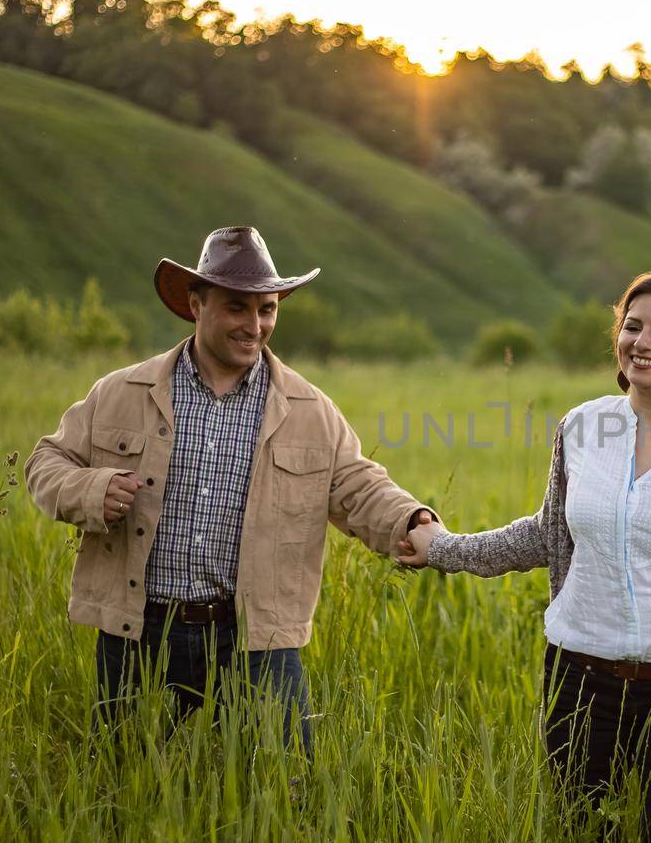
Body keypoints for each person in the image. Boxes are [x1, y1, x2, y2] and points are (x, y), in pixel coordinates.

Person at [397, 267, 651, 843]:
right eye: (633, 327)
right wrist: (444, 548)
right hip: (578, 677)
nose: (644, 343)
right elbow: (546, 534)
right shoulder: (582, 427)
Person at [26, 226, 436, 751]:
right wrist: (90, 489)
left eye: (266, 309)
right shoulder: (120, 392)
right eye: (237, 308)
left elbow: (358, 484)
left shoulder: (311, 411)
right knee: (123, 788)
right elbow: (46, 460)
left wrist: (409, 520)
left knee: (283, 792)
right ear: (196, 305)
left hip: (255, 637)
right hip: (140, 631)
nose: (255, 325)